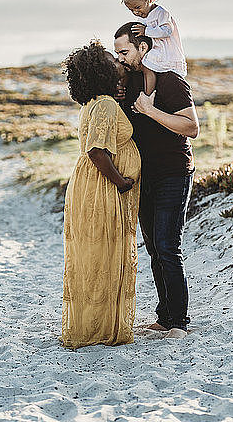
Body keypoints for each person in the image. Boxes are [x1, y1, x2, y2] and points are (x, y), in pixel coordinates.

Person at [114, 23, 199, 339]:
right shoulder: (129, 81)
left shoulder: (170, 80)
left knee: (167, 245)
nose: (120, 58)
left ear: (143, 48)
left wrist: (150, 111)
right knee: (153, 247)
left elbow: (191, 127)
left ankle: (178, 323)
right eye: (117, 53)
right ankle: (165, 318)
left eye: (124, 51)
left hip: (173, 172)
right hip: (143, 176)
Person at [60, 40, 141, 349]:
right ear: (102, 71)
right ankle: (99, 330)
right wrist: (120, 181)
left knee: (96, 256)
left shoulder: (98, 102)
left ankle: (93, 325)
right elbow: (97, 150)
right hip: (102, 188)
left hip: (90, 185)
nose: (118, 64)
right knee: (104, 256)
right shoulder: (105, 105)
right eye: (112, 61)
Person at [119, 0, 187, 95]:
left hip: (167, 52)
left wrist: (146, 31)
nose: (136, 12)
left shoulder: (161, 13)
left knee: (147, 66)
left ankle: (148, 95)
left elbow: (167, 30)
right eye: (131, 10)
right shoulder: (145, 17)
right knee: (139, 66)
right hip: (155, 50)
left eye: (138, 7)